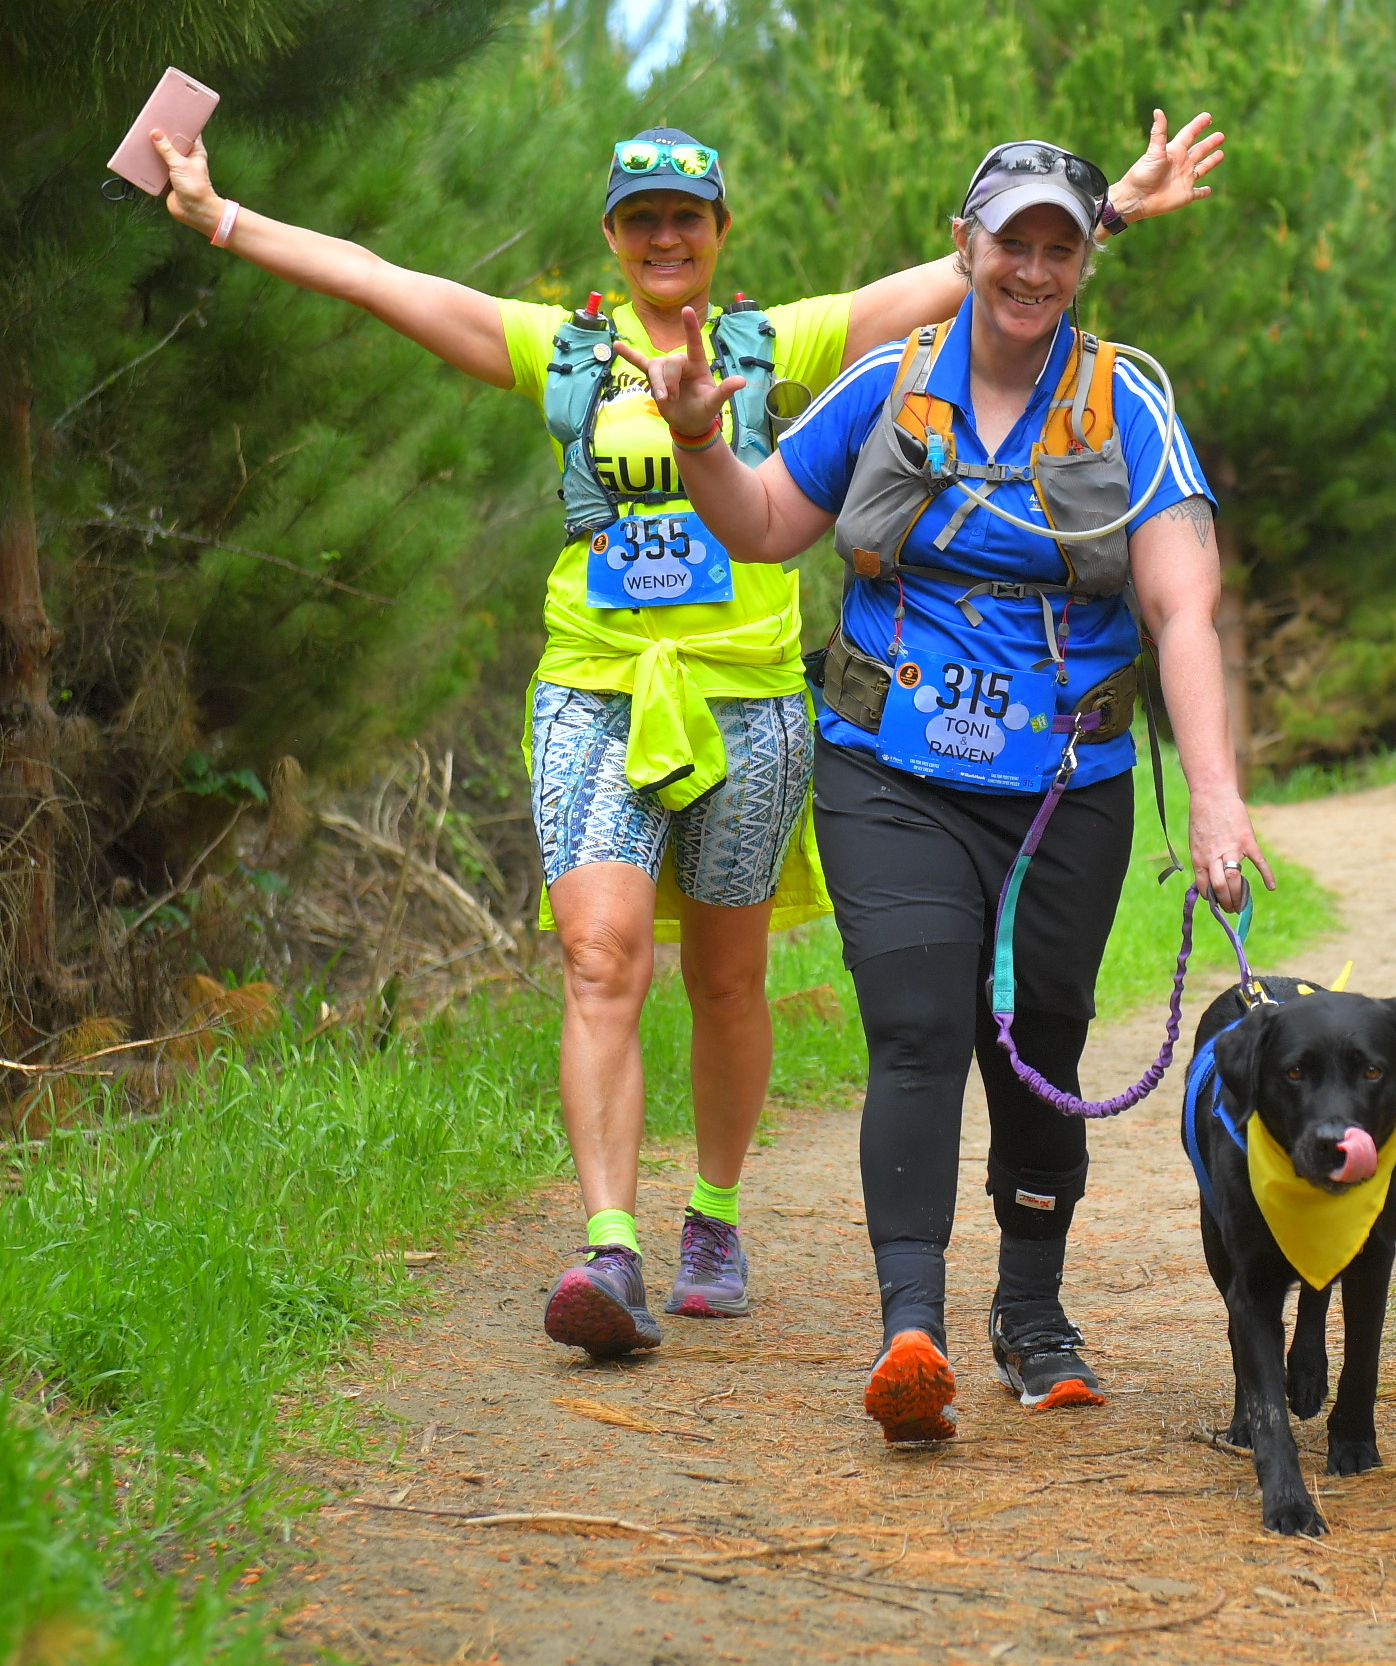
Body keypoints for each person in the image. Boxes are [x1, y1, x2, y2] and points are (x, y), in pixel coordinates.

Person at [149, 114, 1225, 1357]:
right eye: (641, 216)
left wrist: (1119, 209)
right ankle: (610, 1245)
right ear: (611, 235)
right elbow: (392, 283)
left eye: (688, 215)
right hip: (600, 689)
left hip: (752, 699)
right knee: (599, 956)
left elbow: (986, 276)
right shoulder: (566, 349)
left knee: (728, 978)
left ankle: (713, 1212)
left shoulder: (783, 343)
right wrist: (224, 219)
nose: (666, 234)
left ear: (719, 232)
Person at [623, 137, 1270, 1441]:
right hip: (890, 771)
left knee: (1037, 1046)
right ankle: (907, 1327)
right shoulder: (885, 385)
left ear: (1087, 258)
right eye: (1009, 241)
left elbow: (1182, 607)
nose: (1031, 268)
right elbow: (755, 522)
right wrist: (698, 437)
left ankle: (1029, 1313)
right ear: (964, 243)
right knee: (916, 1025)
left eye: (1059, 245)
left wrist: (1213, 792)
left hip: (1064, 787)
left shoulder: (1125, 405)